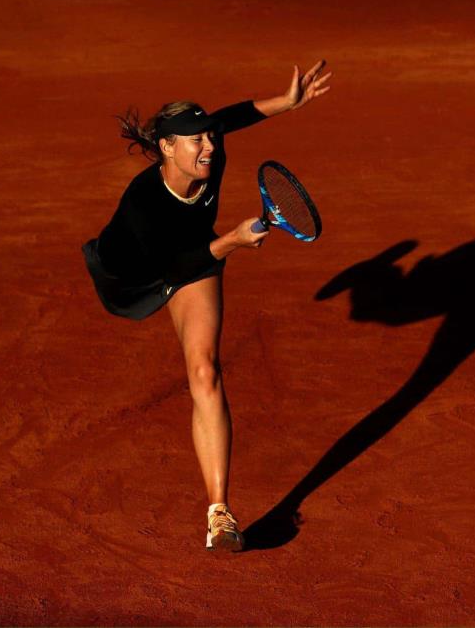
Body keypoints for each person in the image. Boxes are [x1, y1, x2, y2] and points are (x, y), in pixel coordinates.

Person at [82, 60, 332, 552]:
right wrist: (234, 242)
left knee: (204, 371)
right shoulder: (143, 203)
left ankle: (220, 514)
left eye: (209, 137)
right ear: (166, 148)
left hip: (194, 258)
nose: (209, 147)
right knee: (176, 275)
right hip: (129, 275)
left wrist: (286, 102)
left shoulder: (206, 148)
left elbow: (232, 116)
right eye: (195, 140)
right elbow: (170, 271)